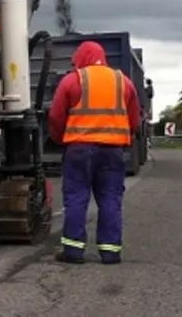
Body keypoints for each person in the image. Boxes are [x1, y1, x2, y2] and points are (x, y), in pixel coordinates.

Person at [47, 41, 142, 264]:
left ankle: (73, 252)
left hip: (79, 149)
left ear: (80, 58)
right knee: (110, 198)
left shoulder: (73, 80)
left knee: (76, 198)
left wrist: (60, 139)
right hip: (112, 151)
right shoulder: (123, 81)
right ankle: (110, 252)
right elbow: (134, 119)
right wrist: (122, 139)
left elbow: (55, 116)